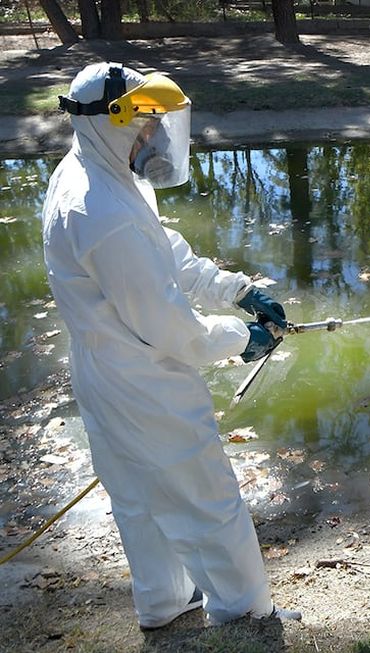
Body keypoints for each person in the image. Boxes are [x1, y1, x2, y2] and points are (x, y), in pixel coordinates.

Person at [41, 62, 300, 630]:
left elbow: (163, 251)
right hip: (145, 380)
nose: (154, 136)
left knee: (139, 497)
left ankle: (163, 602)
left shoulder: (96, 170)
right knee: (207, 498)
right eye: (144, 125)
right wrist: (240, 338)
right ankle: (246, 614)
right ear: (113, 123)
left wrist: (236, 290)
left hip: (108, 372)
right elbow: (173, 331)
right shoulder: (102, 214)